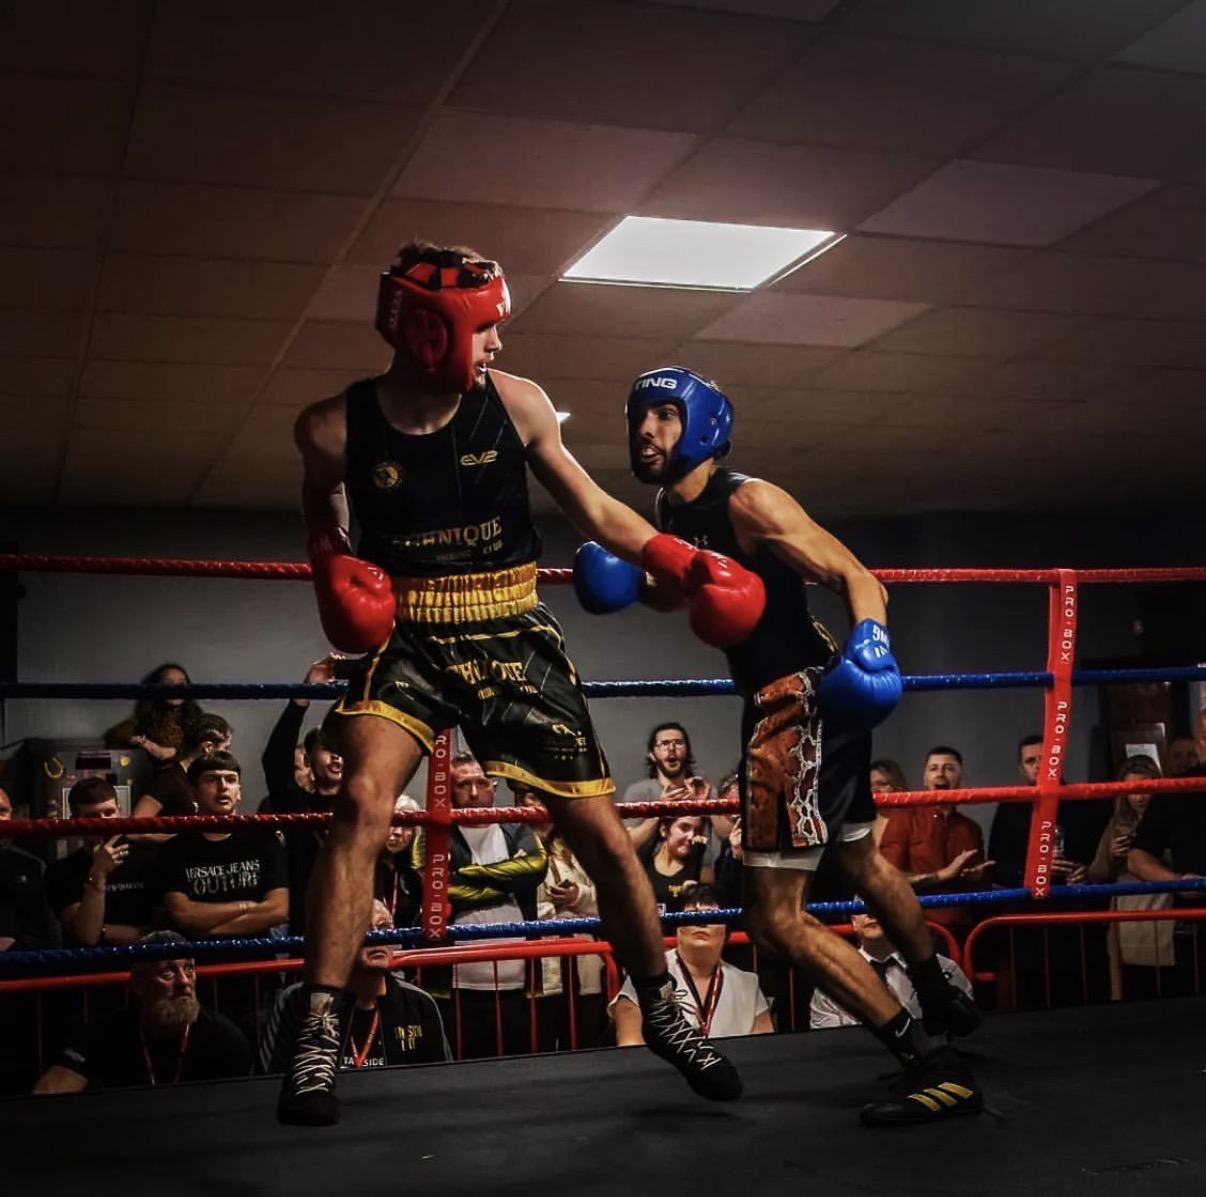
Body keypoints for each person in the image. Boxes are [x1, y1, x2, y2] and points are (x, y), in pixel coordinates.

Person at [279, 242, 760, 1125]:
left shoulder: (519, 404)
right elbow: (322, 500)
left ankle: (663, 1006)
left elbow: (593, 508)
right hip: (412, 632)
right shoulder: (333, 428)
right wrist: (329, 558)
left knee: (605, 836)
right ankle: (316, 1031)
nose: (498, 342)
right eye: (488, 326)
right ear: (435, 333)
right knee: (359, 802)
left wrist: (684, 560)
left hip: (511, 625)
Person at [580, 364, 983, 1125]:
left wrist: (873, 641)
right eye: (638, 416)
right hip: (796, 698)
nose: (645, 430)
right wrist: (637, 577)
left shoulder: (751, 500)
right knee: (861, 859)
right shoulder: (670, 506)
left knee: (773, 919)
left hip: (796, 705)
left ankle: (931, 1058)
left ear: (700, 425)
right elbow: (686, 588)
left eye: (663, 416)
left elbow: (859, 577)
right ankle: (936, 992)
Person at [32, 931, 251, 1092]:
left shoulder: (225, 1039)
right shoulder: (105, 1033)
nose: (184, 982)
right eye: (168, 972)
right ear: (138, 984)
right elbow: (48, 1093)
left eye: (189, 969)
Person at [260, 900, 448, 1074]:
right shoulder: (299, 1000)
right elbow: (267, 1083)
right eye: (364, 928)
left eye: (384, 927)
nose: (377, 937)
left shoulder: (419, 1004)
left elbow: (444, 1082)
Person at [610, 885, 773, 1043]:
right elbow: (630, 1044)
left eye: (711, 915)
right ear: (678, 927)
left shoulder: (747, 984)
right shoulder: (647, 974)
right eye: (692, 914)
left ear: (726, 930)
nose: (701, 922)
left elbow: (763, 1051)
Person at [810, 906, 973, 1029]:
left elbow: (965, 1030)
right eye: (861, 905)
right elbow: (829, 1042)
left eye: (875, 901)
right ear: (854, 921)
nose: (870, 912)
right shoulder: (832, 979)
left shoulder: (943, 969)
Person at [104, 662, 203, 762]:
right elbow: (114, 734)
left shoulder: (197, 719)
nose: (176, 688)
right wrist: (144, 743)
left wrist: (175, 752)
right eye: (168, 684)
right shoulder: (146, 719)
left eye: (181, 684)